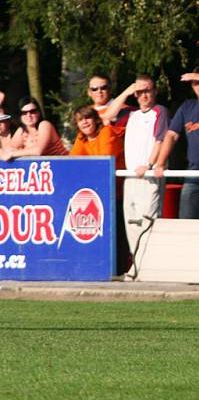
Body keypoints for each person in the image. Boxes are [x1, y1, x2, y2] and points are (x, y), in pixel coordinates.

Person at [105, 76, 169, 254]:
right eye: (140, 92)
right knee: (131, 222)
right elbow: (108, 115)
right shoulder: (130, 114)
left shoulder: (159, 111)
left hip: (148, 177)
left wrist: (148, 165)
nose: (144, 95)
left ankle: (149, 260)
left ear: (154, 91)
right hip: (130, 176)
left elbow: (160, 140)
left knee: (148, 220)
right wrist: (127, 90)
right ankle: (137, 262)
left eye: (147, 90)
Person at [151, 68, 199, 219]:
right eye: (196, 83)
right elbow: (171, 135)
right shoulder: (187, 106)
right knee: (187, 221)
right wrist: (161, 163)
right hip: (193, 175)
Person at [69, 105, 129, 274]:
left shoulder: (106, 132)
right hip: (97, 196)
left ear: (96, 119)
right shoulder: (82, 138)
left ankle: (120, 271)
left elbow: (103, 161)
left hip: (116, 193)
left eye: (87, 118)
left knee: (118, 236)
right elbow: (73, 162)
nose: (85, 122)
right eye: (80, 120)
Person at [1, 96, 68, 160]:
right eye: (24, 112)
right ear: (20, 115)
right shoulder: (22, 130)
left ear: (38, 112)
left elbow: (38, 151)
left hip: (62, 166)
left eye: (32, 111)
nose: (29, 115)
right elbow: (8, 150)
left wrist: (13, 153)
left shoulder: (45, 125)